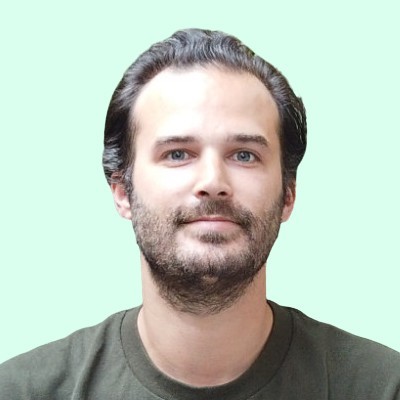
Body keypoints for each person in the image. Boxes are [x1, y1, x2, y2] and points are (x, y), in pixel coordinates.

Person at [1, 28, 399, 400]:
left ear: (288, 195)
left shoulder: (381, 386)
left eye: (244, 155)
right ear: (122, 191)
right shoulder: (23, 390)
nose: (212, 181)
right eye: (177, 154)